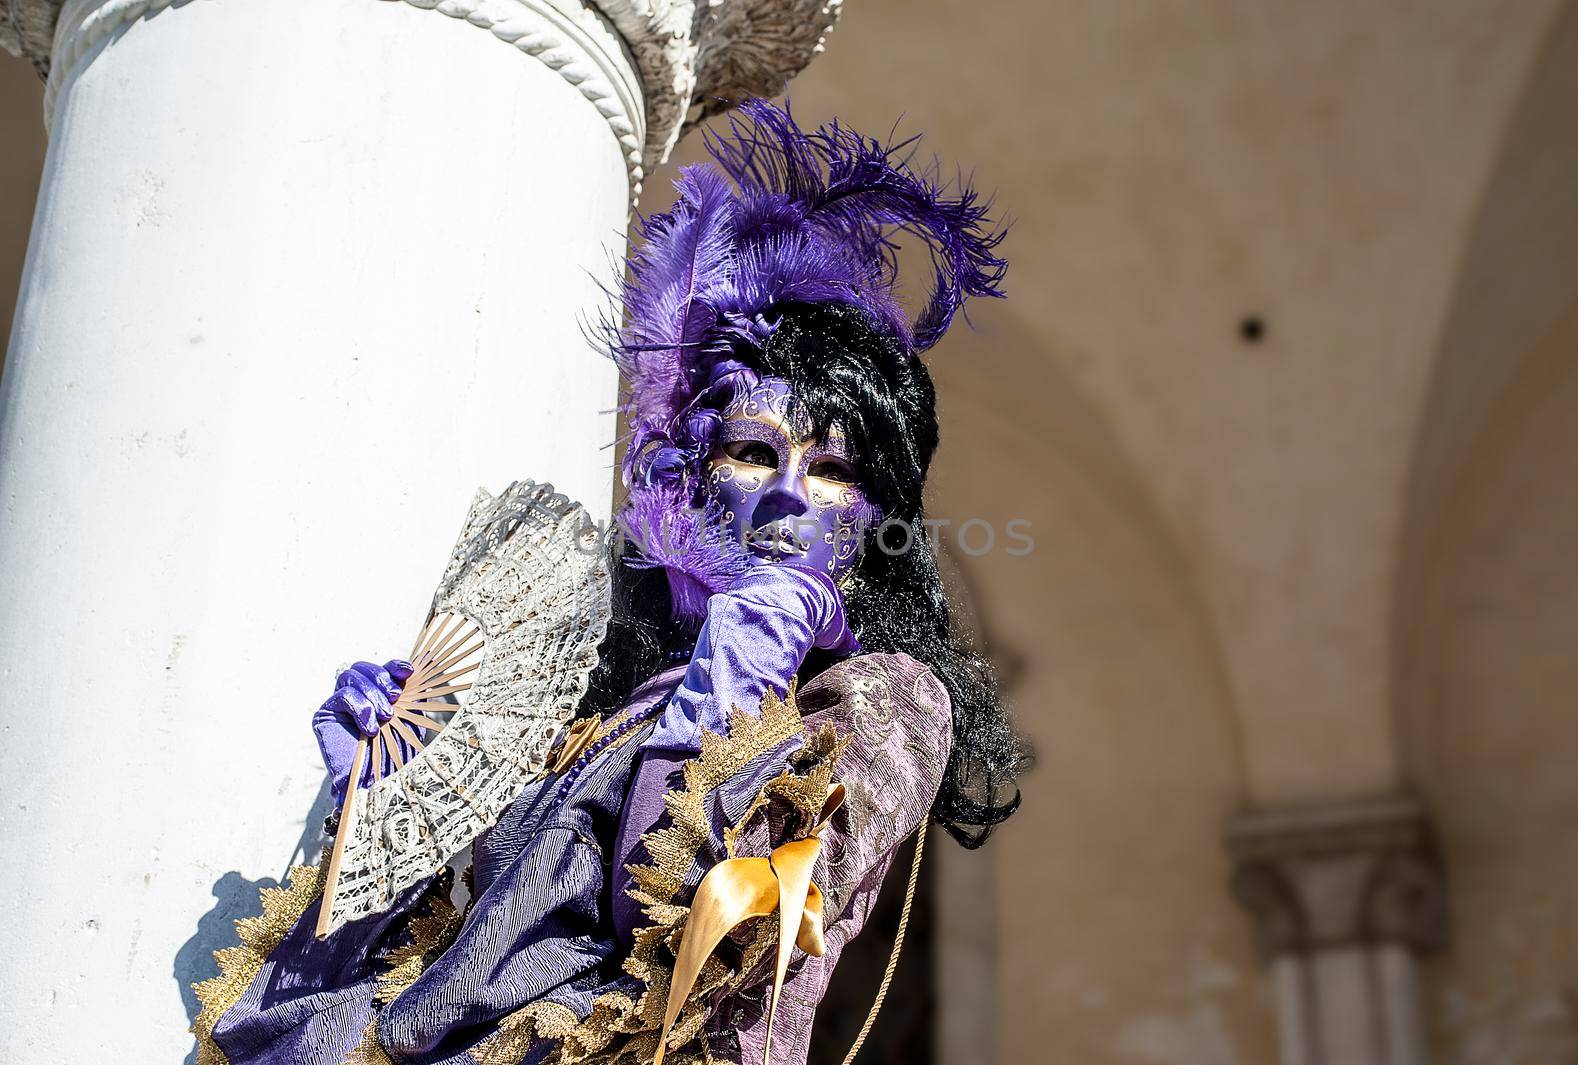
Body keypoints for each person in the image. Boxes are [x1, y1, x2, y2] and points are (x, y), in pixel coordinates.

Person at [192, 98, 1028, 1065]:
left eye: (836, 472)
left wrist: (743, 671)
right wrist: (395, 783)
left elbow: (703, 922)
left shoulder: (886, 702)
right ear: (691, 471)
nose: (790, 498)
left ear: (876, 519)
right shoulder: (599, 706)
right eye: (755, 452)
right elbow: (465, 950)